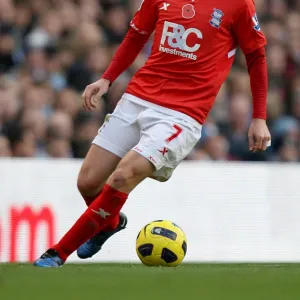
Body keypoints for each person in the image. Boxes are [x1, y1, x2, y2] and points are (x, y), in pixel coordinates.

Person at [34, 0, 271, 267]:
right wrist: (106, 79)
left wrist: (259, 117)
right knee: (88, 183)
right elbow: (137, 35)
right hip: (138, 98)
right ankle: (110, 223)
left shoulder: (238, 4)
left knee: (124, 174)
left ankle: (57, 253)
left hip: (182, 114)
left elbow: (256, 55)